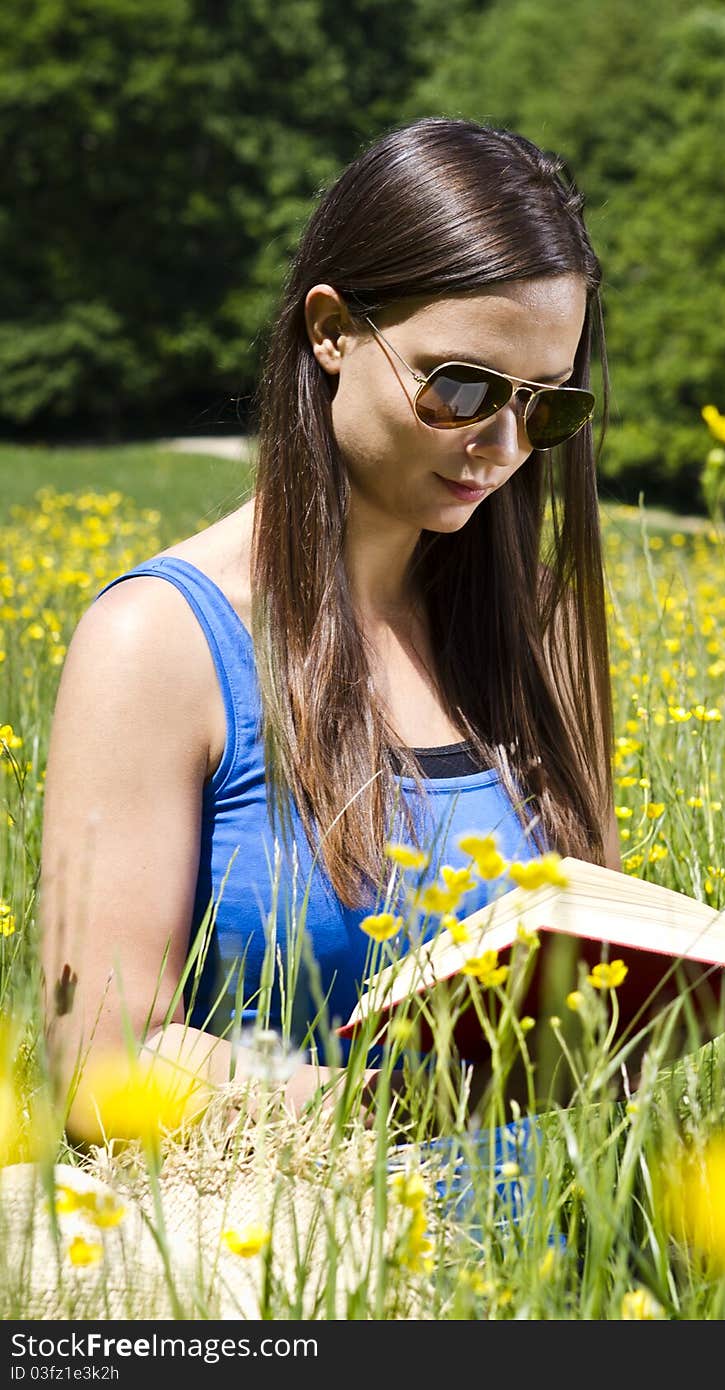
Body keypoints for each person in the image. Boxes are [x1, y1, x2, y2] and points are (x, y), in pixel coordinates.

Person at [39, 115, 635, 1153]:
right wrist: (409, 1101)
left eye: (546, 408)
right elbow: (97, 1064)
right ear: (331, 330)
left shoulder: (539, 621)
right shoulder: (162, 642)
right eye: (461, 387)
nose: (500, 447)